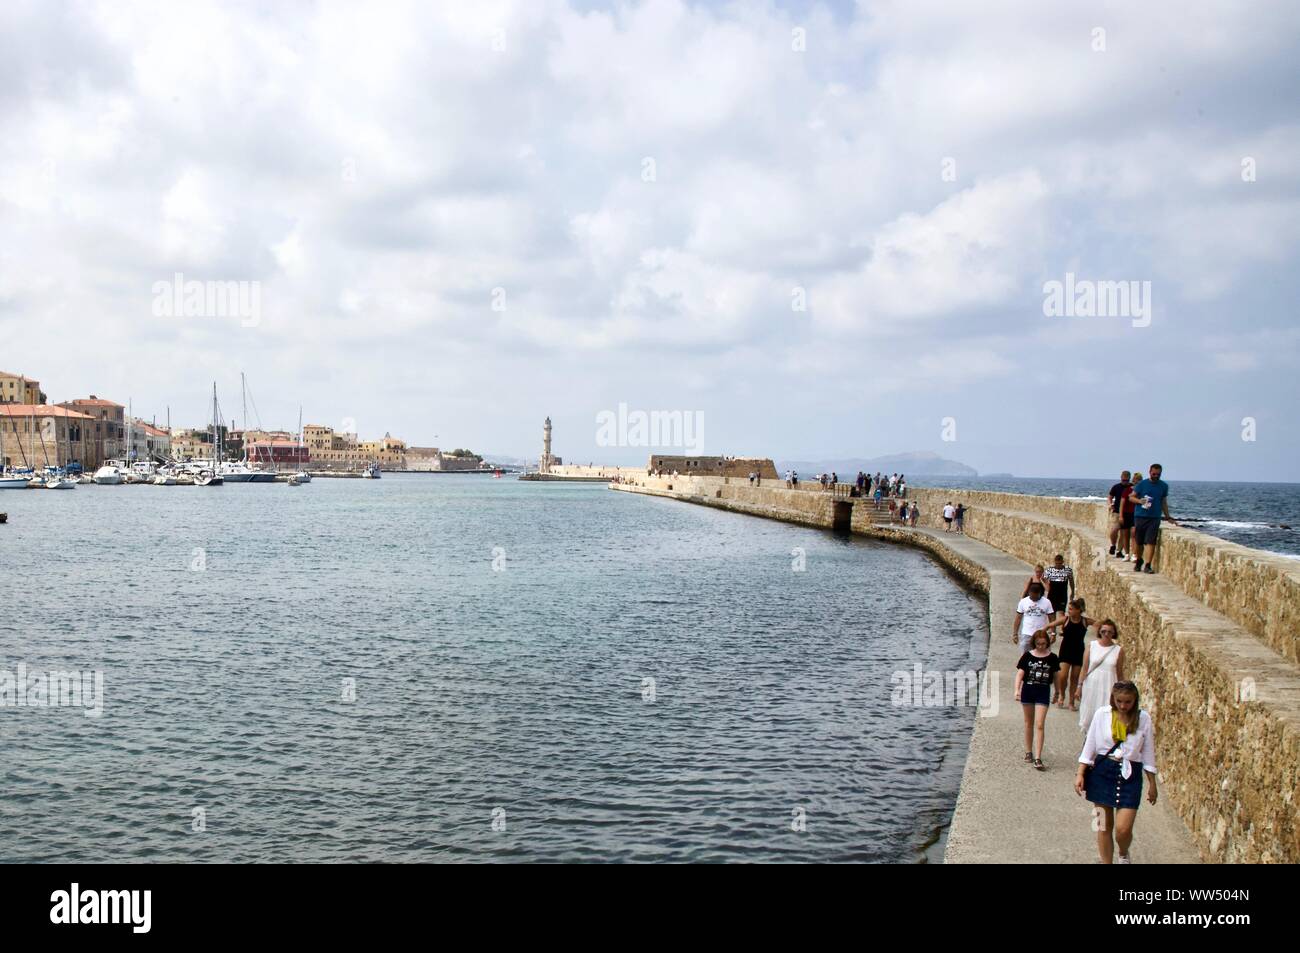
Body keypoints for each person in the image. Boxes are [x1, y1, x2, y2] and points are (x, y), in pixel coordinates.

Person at [1075, 681, 1158, 863]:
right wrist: (1080, 773)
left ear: (1134, 700)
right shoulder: (1102, 714)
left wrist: (1152, 784)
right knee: (1103, 826)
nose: (1123, 706)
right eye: (1119, 701)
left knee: (1123, 830)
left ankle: (1123, 852)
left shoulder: (1143, 719)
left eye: (1127, 702)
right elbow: (1090, 746)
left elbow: (1148, 753)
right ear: (1113, 698)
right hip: (1101, 774)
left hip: (1130, 776)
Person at [1015, 630, 1059, 770]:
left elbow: (1056, 676)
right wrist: (1017, 689)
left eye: (1044, 644)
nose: (1041, 646)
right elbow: (1020, 674)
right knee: (1028, 723)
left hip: (1043, 691)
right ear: (1034, 643)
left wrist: (1058, 692)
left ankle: (1038, 757)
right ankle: (1029, 751)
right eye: (1038, 644)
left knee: (1040, 724)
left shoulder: (1052, 658)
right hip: (1028, 690)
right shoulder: (1027, 656)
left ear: (1047, 643)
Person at [1042, 598, 1095, 709]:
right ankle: (1062, 695)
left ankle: (1071, 702)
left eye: (1071, 609)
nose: (1068, 611)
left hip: (1078, 651)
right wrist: (1050, 634)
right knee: (1063, 676)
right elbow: (1050, 625)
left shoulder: (1085, 621)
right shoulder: (1065, 619)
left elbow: (1100, 625)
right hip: (1065, 650)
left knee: (1074, 678)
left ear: (1078, 610)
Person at [1130, 463, 1177, 573]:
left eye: (1158, 474)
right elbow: (1131, 497)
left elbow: (1163, 501)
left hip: (1155, 517)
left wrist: (1167, 516)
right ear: (1150, 472)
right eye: (1154, 474)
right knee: (1139, 542)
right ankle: (1139, 561)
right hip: (1140, 516)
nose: (1156, 476)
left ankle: (1147, 565)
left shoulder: (1163, 486)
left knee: (1151, 541)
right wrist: (1139, 501)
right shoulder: (1142, 484)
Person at [1077, 619, 1124, 729]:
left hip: (1109, 685)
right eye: (1104, 631)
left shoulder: (1118, 650)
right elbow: (1084, 668)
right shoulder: (1092, 646)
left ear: (1114, 633)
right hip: (1092, 686)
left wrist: (1121, 691)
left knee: (1106, 715)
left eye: (1109, 632)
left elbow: (1120, 672)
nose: (1106, 634)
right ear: (1100, 632)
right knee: (1090, 714)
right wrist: (1079, 687)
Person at [1013, 581, 1056, 654]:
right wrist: (1015, 634)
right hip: (1027, 634)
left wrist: (1053, 633)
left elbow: (1052, 618)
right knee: (1025, 656)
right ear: (1029, 593)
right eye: (1032, 597)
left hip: (1042, 633)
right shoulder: (1023, 602)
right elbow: (1018, 618)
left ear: (1040, 594)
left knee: (1044, 654)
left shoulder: (1047, 602)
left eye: (1036, 597)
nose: (1034, 599)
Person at [1107, 470, 1133, 558]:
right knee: (1114, 529)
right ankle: (1113, 545)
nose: (1125, 482)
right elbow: (1110, 497)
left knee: (1124, 533)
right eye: (1123, 480)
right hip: (1117, 512)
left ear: (1129, 479)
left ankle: (1119, 551)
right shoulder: (1116, 487)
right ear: (1121, 478)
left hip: (1128, 513)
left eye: (1126, 480)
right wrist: (1110, 504)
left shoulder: (1132, 488)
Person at [1043, 554, 1075, 620]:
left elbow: (1071, 581)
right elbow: (1043, 578)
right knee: (1052, 613)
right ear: (1054, 562)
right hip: (1052, 594)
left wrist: (1072, 591)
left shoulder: (1067, 570)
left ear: (1062, 562)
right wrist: (1047, 585)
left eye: (1060, 563)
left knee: (1061, 612)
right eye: (1056, 563)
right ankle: (1053, 630)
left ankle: (1063, 629)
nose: (1058, 565)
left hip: (1062, 594)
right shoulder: (1050, 570)